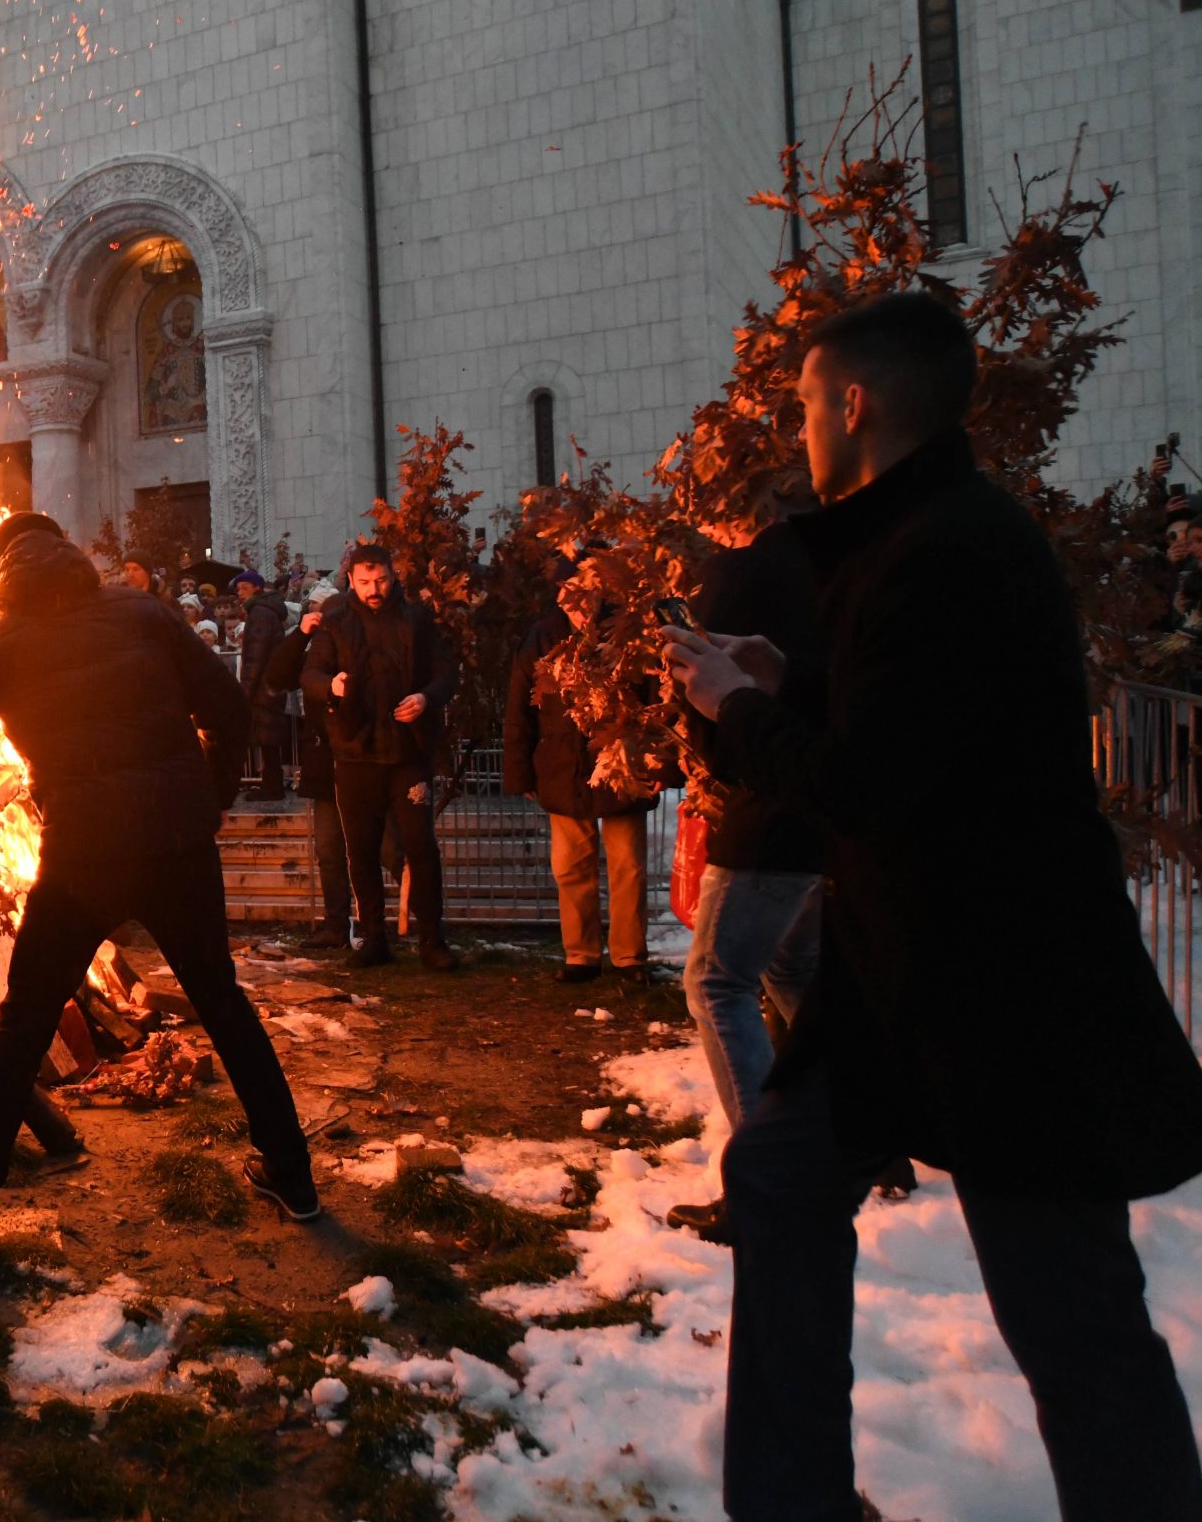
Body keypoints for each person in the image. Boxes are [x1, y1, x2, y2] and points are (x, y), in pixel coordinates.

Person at [665, 292, 1202, 1520]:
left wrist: (736, 715)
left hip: (1007, 996)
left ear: (853, 404)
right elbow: (904, 716)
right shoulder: (923, 538)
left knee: (1072, 1321)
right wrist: (781, 674)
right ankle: (791, 1498)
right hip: (899, 974)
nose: (798, 431)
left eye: (804, 405)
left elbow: (870, 783)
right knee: (783, 1182)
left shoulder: (945, 551)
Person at [0, 512, 318, 1252]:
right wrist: (209, 798)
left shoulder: (1, 643)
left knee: (22, 1027)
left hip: (83, 854)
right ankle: (293, 1175)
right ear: (66, 553)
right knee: (224, 1003)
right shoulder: (140, 609)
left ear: (2, 571)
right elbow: (230, 710)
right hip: (176, 842)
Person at [660, 499, 824, 1244]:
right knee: (795, 971)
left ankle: (765, 1181)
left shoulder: (745, 572)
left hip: (769, 803)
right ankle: (856, 1138)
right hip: (820, 802)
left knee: (717, 980)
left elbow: (709, 685)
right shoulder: (836, 565)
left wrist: (706, 722)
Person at [302, 545, 455, 969]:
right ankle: (373, 937)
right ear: (351, 578)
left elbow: (446, 671)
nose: (374, 590)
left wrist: (426, 698)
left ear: (393, 575)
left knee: (421, 847)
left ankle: (432, 938)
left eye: (382, 581)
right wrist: (332, 686)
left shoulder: (417, 618)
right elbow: (310, 675)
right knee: (361, 851)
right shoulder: (335, 623)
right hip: (354, 752)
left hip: (407, 752)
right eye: (366, 582)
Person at [504, 577, 657, 982]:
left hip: (623, 764)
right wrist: (520, 769)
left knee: (628, 866)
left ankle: (629, 958)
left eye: (587, 590)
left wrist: (658, 764)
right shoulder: (542, 636)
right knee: (570, 866)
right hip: (563, 763)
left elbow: (656, 696)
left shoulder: (627, 631)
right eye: (571, 590)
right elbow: (520, 707)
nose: (578, 601)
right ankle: (581, 955)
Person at [263, 584, 352, 948]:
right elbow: (278, 676)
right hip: (323, 758)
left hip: (361, 757)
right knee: (329, 849)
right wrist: (300, 635)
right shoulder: (313, 647)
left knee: (384, 845)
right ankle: (336, 923)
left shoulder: (358, 646)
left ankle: (405, 918)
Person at [235, 570, 289, 801]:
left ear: (257, 588)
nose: (240, 594)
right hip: (270, 683)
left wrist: (245, 690)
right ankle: (271, 783)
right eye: (238, 589)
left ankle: (272, 786)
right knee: (267, 736)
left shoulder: (261, 613)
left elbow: (256, 654)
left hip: (263, 686)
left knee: (267, 738)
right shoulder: (264, 611)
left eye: (244, 588)